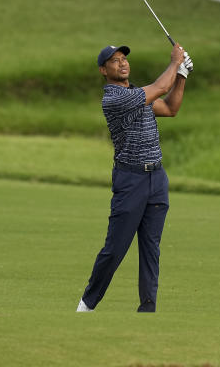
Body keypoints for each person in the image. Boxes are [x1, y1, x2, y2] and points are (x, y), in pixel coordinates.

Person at [77, 41, 192, 314]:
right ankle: (87, 304)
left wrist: (183, 76)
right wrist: (175, 63)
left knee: (151, 248)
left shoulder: (138, 94)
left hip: (156, 178)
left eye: (124, 58)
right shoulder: (115, 99)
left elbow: (171, 108)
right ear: (104, 70)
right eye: (114, 61)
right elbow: (160, 88)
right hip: (130, 181)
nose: (122, 63)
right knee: (115, 249)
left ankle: (147, 308)